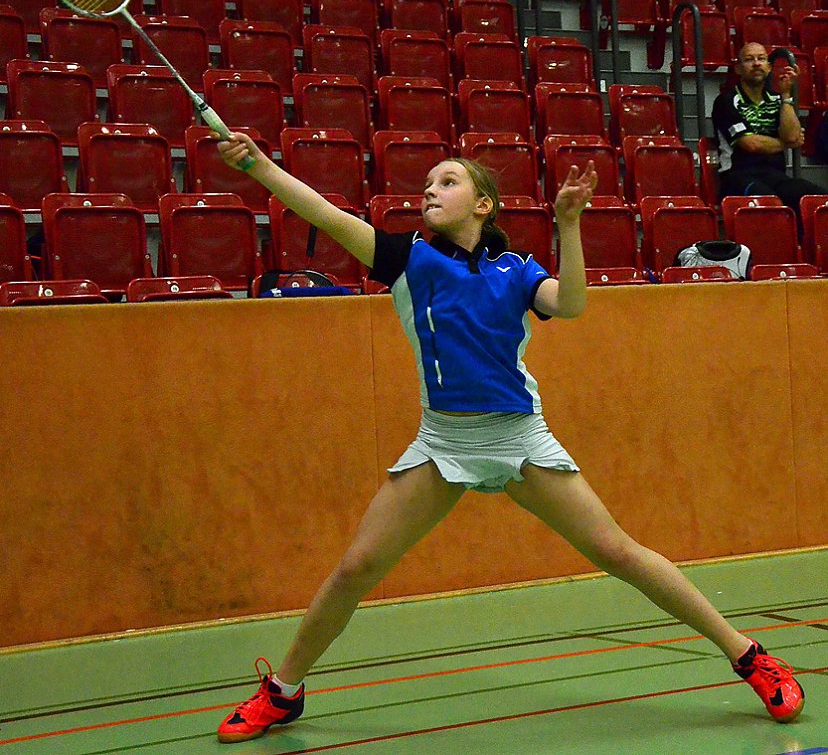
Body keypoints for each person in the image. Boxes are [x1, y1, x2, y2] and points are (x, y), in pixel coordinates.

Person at [212, 132, 805, 744]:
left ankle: (750, 656)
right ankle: (283, 692)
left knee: (619, 553)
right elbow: (325, 213)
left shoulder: (518, 270)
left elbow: (570, 305)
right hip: (444, 441)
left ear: (483, 203)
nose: (431, 190)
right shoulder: (409, 258)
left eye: (448, 181)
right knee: (356, 568)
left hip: (522, 438)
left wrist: (569, 226)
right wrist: (257, 165)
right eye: (427, 185)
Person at [712, 42, 828, 223]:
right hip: (737, 177)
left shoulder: (777, 100)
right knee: (772, 205)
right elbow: (750, 144)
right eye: (749, 60)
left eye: (761, 59)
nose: (756, 63)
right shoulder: (726, 102)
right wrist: (785, 144)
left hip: (775, 175)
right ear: (738, 69)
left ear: (768, 67)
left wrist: (786, 95)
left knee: (820, 201)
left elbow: (792, 135)